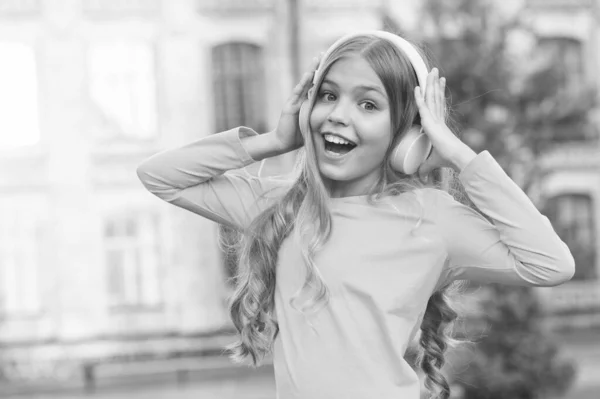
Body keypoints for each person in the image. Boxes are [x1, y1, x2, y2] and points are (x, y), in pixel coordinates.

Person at [136, 30, 575, 399]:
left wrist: (458, 154)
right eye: (328, 96)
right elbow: (160, 176)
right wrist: (273, 140)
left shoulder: (432, 218)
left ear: (407, 133)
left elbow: (550, 264)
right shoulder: (280, 208)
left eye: (367, 104)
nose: (338, 116)